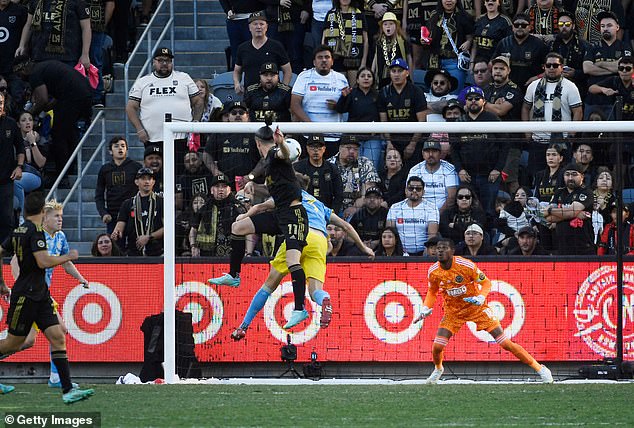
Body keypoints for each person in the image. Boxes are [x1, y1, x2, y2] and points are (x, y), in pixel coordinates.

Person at [230, 190, 374, 339]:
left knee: (268, 286)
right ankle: (324, 299)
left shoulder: (290, 193)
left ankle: (243, 326)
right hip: (320, 240)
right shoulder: (320, 206)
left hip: (299, 235)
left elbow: (261, 207)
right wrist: (364, 248)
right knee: (314, 291)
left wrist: (244, 216)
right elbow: (346, 226)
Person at [414, 237, 553, 384]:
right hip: (453, 312)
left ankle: (540, 369)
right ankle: (438, 369)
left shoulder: (465, 265)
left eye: (444, 248)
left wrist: (481, 297)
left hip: (477, 309)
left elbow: (486, 282)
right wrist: (426, 307)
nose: (440, 251)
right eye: (438, 249)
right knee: (437, 347)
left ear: (453, 251)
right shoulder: (433, 271)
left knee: (505, 343)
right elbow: (432, 291)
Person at [0, 192, 95, 402]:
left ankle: (66, 389)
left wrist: (80, 278)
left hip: (41, 294)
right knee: (15, 343)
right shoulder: (34, 233)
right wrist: (67, 256)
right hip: (27, 295)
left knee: (58, 334)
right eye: (55, 215)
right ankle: (60, 382)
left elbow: (2, 251)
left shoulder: (38, 233)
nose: (60, 219)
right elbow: (40, 262)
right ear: (43, 213)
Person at [212, 125, 310, 329]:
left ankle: (300, 308)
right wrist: (253, 187)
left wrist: (281, 142)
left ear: (257, 144)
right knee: (237, 228)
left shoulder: (275, 154)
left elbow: (285, 154)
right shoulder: (268, 164)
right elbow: (274, 189)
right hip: (279, 214)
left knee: (293, 261)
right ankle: (233, 275)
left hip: (294, 216)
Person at [126, 47, 203, 176]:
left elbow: (199, 101)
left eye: (167, 60)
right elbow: (130, 107)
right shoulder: (143, 82)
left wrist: (195, 123)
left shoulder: (184, 78)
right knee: (155, 175)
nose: (164, 63)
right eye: (160, 60)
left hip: (180, 137)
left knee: (180, 174)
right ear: (153, 62)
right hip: (153, 138)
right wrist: (139, 129)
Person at [13, 56, 91, 180]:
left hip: (73, 97)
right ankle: (70, 168)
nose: (20, 77)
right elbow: (55, 96)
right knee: (68, 132)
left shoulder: (35, 74)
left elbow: (43, 99)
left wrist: (29, 113)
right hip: (84, 92)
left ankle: (62, 176)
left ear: (23, 68)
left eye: (19, 73)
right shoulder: (44, 67)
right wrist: (45, 107)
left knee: (58, 134)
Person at [522, 52, 583, 179]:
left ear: (562, 67)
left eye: (555, 65)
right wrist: (527, 131)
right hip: (538, 139)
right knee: (536, 176)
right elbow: (525, 108)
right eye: (548, 65)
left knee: (561, 177)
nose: (551, 68)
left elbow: (578, 111)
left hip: (561, 141)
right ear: (544, 67)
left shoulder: (570, 87)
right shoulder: (533, 86)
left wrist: (572, 135)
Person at [452, 86, 506, 216]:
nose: (473, 101)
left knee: (490, 210)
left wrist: (497, 169)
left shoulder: (493, 119)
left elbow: (505, 145)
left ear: (483, 101)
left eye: (477, 98)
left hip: (489, 175)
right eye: (470, 99)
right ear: (466, 102)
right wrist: (460, 169)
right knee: (469, 211)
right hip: (467, 176)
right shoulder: (459, 121)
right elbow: (454, 149)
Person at [291, 45, 348, 152]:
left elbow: (346, 106)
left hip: (333, 136)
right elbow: (295, 105)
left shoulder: (341, 79)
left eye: (327, 57)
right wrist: (312, 127)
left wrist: (337, 106)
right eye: (320, 57)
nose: (324, 60)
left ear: (332, 61)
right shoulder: (304, 77)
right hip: (309, 136)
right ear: (314, 62)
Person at [377, 58, 428, 165]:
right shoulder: (384, 92)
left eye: (400, 71)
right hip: (393, 140)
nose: (396, 74)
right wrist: (389, 143)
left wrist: (412, 144)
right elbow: (383, 122)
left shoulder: (416, 91)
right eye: (393, 71)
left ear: (407, 73)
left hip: (414, 139)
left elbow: (422, 122)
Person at [582, 11, 632, 119]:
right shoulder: (592, 47)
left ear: (617, 27)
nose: (605, 28)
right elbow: (586, 68)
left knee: (614, 134)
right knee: (590, 134)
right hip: (593, 99)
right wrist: (614, 68)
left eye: (609, 25)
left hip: (616, 100)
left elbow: (626, 68)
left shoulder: (625, 47)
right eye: (602, 26)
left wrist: (600, 63)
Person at [202, 100, 261, 189]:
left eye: (241, 112)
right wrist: (216, 172)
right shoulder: (219, 132)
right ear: (228, 116)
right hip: (225, 185)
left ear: (247, 116)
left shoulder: (256, 134)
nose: (237, 115)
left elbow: (265, 158)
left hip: (251, 186)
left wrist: (251, 176)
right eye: (234, 113)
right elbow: (206, 155)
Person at [16, 0, 91, 68]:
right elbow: (29, 24)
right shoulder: (35, 1)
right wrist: (22, 45)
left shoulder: (78, 2)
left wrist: (85, 54)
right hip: (39, 54)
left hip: (67, 56)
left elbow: (86, 28)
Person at [422, 0, 475, 94]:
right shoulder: (434, 15)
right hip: (435, 62)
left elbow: (470, 36)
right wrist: (424, 41)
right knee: (435, 95)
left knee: (454, 95)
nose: (449, 1)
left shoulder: (463, 16)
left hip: (455, 62)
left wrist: (468, 42)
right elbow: (427, 36)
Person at [542, 162, 595, 255]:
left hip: (582, 247)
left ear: (582, 176)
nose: (570, 178)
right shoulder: (559, 192)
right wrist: (575, 213)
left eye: (574, 174)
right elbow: (548, 218)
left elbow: (571, 212)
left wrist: (551, 210)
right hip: (562, 247)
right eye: (567, 174)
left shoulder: (587, 192)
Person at [233, 11, 292, 94]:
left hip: (273, 94)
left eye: (261, 24)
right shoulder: (242, 48)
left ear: (267, 27)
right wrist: (237, 84)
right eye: (255, 24)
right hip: (250, 95)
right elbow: (237, 71)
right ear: (249, 27)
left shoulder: (276, 46)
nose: (258, 27)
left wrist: (283, 90)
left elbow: (287, 70)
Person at [335, 67, 383, 170]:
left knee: (371, 167)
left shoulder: (378, 95)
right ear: (357, 80)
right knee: (353, 167)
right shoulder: (351, 94)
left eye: (369, 76)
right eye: (362, 76)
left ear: (373, 80)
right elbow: (340, 109)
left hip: (372, 138)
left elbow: (382, 115)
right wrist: (343, 97)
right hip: (353, 138)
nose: (366, 78)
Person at [111, 167, 164, 256]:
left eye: (149, 179)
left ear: (153, 182)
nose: (147, 182)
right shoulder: (127, 204)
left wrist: (148, 237)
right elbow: (119, 227)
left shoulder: (161, 202)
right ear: (136, 182)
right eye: (143, 179)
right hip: (133, 252)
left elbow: (167, 228)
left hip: (157, 252)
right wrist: (116, 233)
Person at [189, 174, 246, 257]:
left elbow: (248, 230)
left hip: (233, 254)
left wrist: (248, 252)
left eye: (224, 186)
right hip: (208, 255)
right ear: (212, 190)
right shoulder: (205, 208)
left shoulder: (238, 207)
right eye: (217, 186)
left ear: (229, 189)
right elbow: (193, 229)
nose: (220, 189)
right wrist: (193, 246)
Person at [95, 136, 143, 234]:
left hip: (133, 212)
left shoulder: (136, 167)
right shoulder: (105, 169)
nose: (120, 148)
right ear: (110, 151)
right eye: (116, 146)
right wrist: (104, 213)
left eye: (123, 146)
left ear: (127, 149)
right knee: (115, 245)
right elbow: (99, 195)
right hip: (113, 215)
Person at [491, 13, 548, 90]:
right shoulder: (504, 43)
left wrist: (537, 78)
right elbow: (492, 64)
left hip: (532, 87)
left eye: (524, 25)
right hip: (507, 88)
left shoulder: (539, 45)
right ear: (512, 28)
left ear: (530, 27)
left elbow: (551, 68)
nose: (520, 27)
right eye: (516, 25)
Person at [328, 135, 380, 219]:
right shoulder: (329, 164)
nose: (352, 151)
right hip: (332, 207)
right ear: (340, 148)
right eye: (348, 148)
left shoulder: (365, 163)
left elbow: (367, 193)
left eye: (355, 149)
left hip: (358, 209)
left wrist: (354, 208)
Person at [386, 176, 439, 256]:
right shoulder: (395, 207)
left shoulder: (432, 208)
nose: (414, 191)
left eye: (418, 189)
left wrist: (426, 251)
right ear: (406, 191)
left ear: (423, 192)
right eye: (411, 188)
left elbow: (432, 234)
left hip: (422, 253)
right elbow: (390, 232)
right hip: (399, 253)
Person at [293, 135, 344, 214]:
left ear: (324, 149)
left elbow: (339, 195)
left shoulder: (332, 169)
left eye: (319, 147)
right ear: (307, 148)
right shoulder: (297, 168)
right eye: (312, 147)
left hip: (326, 212)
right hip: (304, 211)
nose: (316, 151)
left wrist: (332, 213)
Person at [407, 139, 459, 215]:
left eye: (434, 151)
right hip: (420, 212)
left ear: (440, 153)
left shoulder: (449, 169)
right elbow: (409, 195)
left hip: (444, 213)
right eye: (427, 151)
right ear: (422, 153)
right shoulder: (415, 170)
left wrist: (436, 216)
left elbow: (451, 198)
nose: (430, 154)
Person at [322, 0, 369, 84]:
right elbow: (324, 39)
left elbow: (365, 40)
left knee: (354, 88)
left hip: (354, 57)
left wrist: (363, 62)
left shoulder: (359, 14)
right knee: (339, 88)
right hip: (336, 58)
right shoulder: (330, 14)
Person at [13, 110, 47, 223]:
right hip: (17, 172)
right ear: (18, 124)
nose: (27, 122)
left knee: (16, 181)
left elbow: (41, 163)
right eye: (23, 120)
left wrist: (32, 143)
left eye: (30, 120)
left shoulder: (39, 139)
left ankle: (22, 217)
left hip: (34, 174)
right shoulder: (14, 141)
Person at [0, 91, 24, 244]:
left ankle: (6, 251)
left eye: (1, 102)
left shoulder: (10, 124)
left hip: (6, 179)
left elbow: (20, 147)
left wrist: (20, 166)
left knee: (6, 218)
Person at [549, 11, 591, 96]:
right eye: (561, 24)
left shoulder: (584, 45)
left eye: (567, 24)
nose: (564, 27)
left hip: (578, 87)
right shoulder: (552, 44)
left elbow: (589, 71)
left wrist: (575, 73)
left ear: (573, 26)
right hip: (555, 86)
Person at [371, 12, 411, 88]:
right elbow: (375, 58)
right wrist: (372, 74)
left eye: (391, 24)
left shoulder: (403, 40)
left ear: (396, 26)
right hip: (382, 76)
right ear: (382, 27)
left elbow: (409, 58)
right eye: (385, 24)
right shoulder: (378, 41)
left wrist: (410, 75)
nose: (388, 27)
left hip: (398, 74)